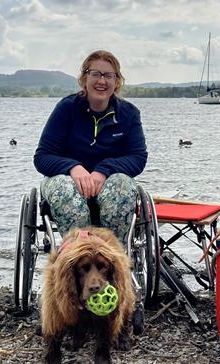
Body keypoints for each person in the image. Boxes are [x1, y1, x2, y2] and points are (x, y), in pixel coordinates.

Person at [34, 50, 147, 245]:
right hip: (67, 182)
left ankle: (112, 257)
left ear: (116, 81)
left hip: (109, 183)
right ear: (84, 78)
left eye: (108, 75)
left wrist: (104, 170)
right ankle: (78, 256)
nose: (101, 81)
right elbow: (42, 157)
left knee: (122, 187)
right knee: (64, 190)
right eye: (95, 74)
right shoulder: (67, 109)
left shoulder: (128, 114)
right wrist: (73, 167)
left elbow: (138, 158)